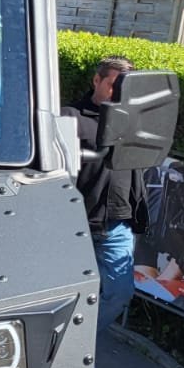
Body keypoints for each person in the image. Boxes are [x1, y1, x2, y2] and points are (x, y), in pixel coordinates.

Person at [64, 57, 151, 335]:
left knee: (120, 293)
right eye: (113, 85)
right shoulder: (70, 117)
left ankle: (78, 347)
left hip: (117, 223)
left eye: (124, 88)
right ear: (96, 80)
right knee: (68, 295)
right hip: (77, 224)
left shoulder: (135, 122)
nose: (117, 93)